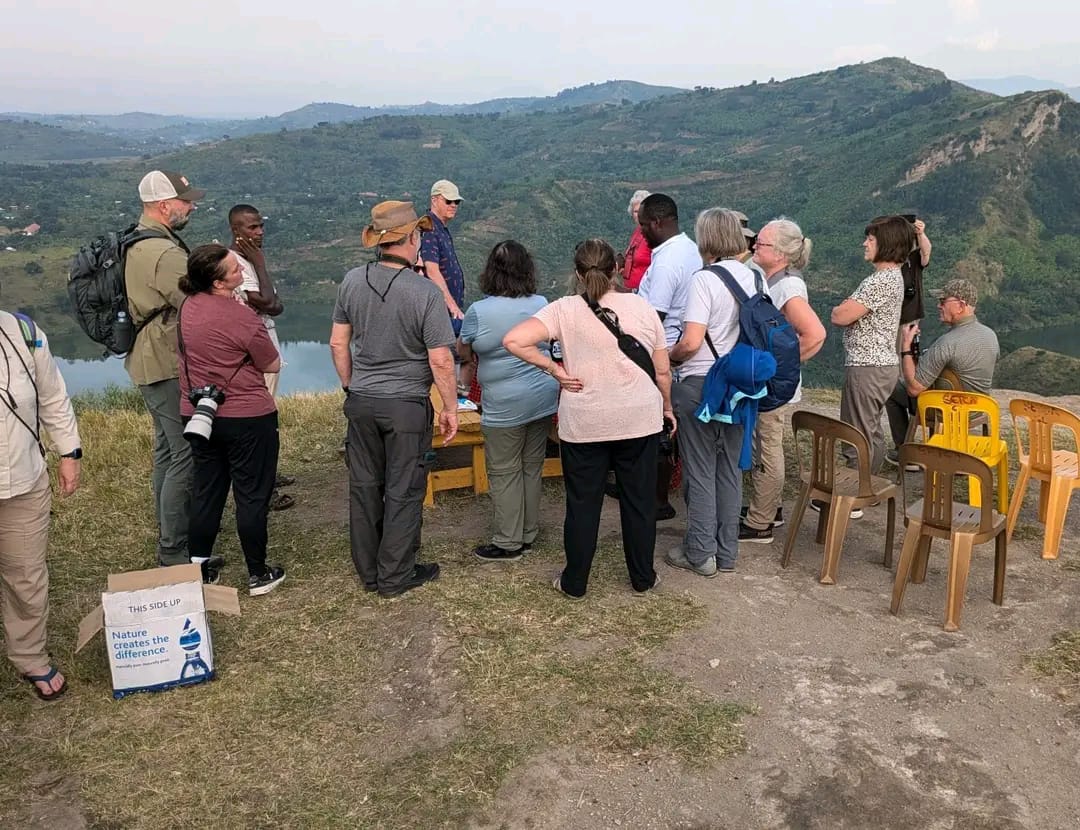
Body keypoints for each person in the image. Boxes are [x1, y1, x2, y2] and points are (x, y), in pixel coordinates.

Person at [503, 239, 673, 599]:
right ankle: (642, 577)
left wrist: (554, 369)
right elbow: (662, 371)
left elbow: (514, 340)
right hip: (639, 418)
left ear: (578, 274)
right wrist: (667, 408)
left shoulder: (562, 309)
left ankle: (575, 581)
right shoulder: (642, 307)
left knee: (583, 504)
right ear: (617, 269)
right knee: (639, 502)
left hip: (584, 421)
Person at [330, 201, 458, 598]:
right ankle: (395, 575)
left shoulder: (352, 281)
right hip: (405, 404)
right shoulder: (425, 292)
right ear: (411, 238)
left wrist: (351, 386)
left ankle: (370, 572)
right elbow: (440, 359)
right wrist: (450, 407)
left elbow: (338, 343)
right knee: (404, 489)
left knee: (364, 486)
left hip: (362, 399)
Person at [178, 245, 286, 596]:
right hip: (247, 416)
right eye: (235, 269)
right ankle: (257, 573)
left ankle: (199, 568)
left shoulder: (187, 307)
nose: (241, 270)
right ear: (218, 282)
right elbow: (272, 362)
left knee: (207, 491)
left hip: (199, 414)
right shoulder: (242, 317)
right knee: (251, 494)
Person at [667, 208, 765, 576]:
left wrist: (670, 357)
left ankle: (699, 553)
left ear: (706, 239)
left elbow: (692, 341)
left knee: (700, 469)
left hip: (702, 384)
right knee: (729, 469)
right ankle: (727, 553)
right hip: (741, 387)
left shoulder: (704, 280)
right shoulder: (756, 279)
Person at [458, 241, 559, 561]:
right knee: (531, 466)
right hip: (543, 396)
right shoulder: (542, 303)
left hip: (504, 403)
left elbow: (464, 351)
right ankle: (527, 533)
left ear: (491, 271)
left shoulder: (478, 311)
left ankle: (508, 541)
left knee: (504, 470)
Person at [124, 169, 205, 567]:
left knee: (167, 451)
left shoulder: (140, 241)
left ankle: (170, 532)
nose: (191, 207)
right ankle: (174, 549)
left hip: (148, 358)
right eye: (185, 201)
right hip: (165, 361)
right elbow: (198, 303)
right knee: (185, 453)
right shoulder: (164, 253)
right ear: (163, 205)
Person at [0, 310, 80, 700]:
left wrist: (69, 451)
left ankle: (29, 655)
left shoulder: (24, 332)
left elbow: (51, 396)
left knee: (26, 576)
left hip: (24, 480)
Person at [739, 218, 826, 544]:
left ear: (780, 254)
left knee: (767, 447)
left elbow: (815, 334)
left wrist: (778, 367)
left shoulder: (788, 288)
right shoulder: (775, 279)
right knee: (764, 444)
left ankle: (760, 522)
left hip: (774, 387)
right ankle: (768, 507)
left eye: (761, 243)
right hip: (773, 383)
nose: (754, 246)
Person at [635, 193, 702, 520]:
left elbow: (653, 318)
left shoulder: (666, 262)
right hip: (678, 349)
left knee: (659, 425)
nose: (641, 232)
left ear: (658, 222)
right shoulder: (689, 249)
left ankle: (657, 499)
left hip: (663, 351)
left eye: (644, 225)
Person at [886, 278, 999, 468]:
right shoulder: (991, 335)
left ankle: (904, 452)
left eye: (943, 301)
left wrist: (906, 347)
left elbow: (914, 388)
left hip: (946, 410)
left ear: (960, 305)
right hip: (978, 408)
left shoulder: (947, 343)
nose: (939, 306)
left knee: (891, 388)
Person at [830, 215, 911, 478]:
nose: (865, 244)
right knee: (871, 431)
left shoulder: (879, 281)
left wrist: (841, 308)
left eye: (871, 239)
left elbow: (840, 316)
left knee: (856, 435)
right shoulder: (893, 278)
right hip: (882, 365)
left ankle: (856, 490)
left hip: (867, 367)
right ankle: (869, 484)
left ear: (886, 243)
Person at [228, 204, 295, 512]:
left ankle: (266, 475)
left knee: (267, 418)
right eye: (251, 227)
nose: (259, 232)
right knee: (258, 424)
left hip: (266, 347)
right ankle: (260, 489)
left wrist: (270, 299)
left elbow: (274, 304)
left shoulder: (249, 261)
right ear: (235, 230)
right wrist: (259, 263)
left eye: (260, 226)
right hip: (254, 353)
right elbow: (269, 302)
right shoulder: (237, 264)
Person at [421, 179, 467, 338]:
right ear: (434, 200)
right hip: (440, 312)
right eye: (448, 201)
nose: (453, 205)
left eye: (456, 202)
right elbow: (432, 270)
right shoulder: (429, 229)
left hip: (446, 311)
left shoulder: (440, 229)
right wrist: (452, 306)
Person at [621, 190, 652, 291]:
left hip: (644, 292)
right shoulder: (637, 231)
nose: (639, 215)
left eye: (641, 211)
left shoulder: (653, 235)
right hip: (630, 290)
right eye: (635, 211)